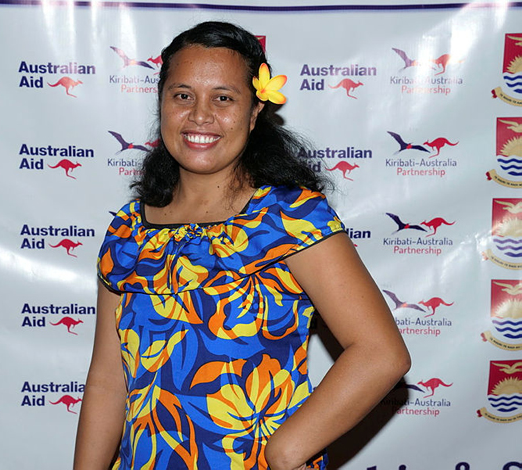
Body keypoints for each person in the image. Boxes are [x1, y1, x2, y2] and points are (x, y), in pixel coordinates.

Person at [74, 21, 410, 470]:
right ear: (162, 105)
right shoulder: (128, 232)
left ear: (254, 114)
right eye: (182, 95)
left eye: (224, 98)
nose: (200, 115)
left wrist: (283, 453)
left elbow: (380, 354)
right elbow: (106, 383)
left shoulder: (291, 218)